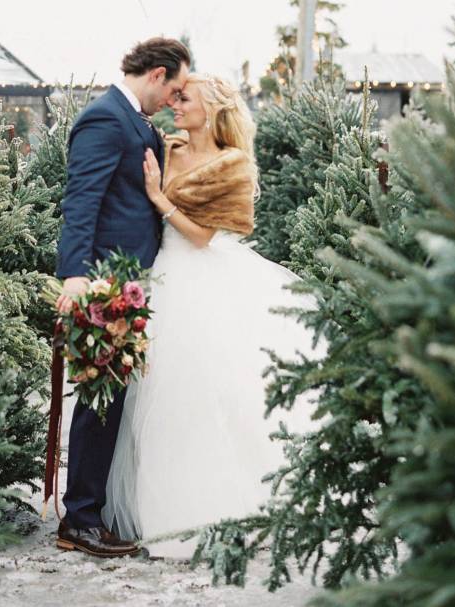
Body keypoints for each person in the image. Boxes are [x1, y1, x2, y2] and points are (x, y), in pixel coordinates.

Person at [102, 73, 326, 559]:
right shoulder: (169, 147)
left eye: (185, 99)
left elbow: (202, 237)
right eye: (175, 97)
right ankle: (163, 508)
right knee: (162, 396)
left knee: (205, 393)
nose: (175, 104)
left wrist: (161, 198)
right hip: (163, 272)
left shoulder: (230, 164)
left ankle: (213, 511)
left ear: (212, 108)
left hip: (199, 274)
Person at [54, 37, 191, 558]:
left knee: (111, 399)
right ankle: (80, 520)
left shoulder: (135, 121)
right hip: (106, 281)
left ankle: (93, 513)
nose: (174, 101)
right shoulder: (105, 119)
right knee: (99, 400)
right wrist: (74, 275)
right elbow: (81, 199)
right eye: (174, 88)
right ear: (156, 74)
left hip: (131, 279)